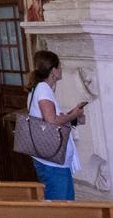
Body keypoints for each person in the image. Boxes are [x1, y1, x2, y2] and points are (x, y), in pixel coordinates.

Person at [26, 49, 85, 200]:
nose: (61, 70)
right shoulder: (43, 89)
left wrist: (73, 118)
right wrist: (73, 115)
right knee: (59, 206)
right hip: (52, 162)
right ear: (53, 71)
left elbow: (51, 117)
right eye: (59, 67)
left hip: (53, 160)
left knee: (65, 204)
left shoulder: (38, 89)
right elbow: (51, 120)